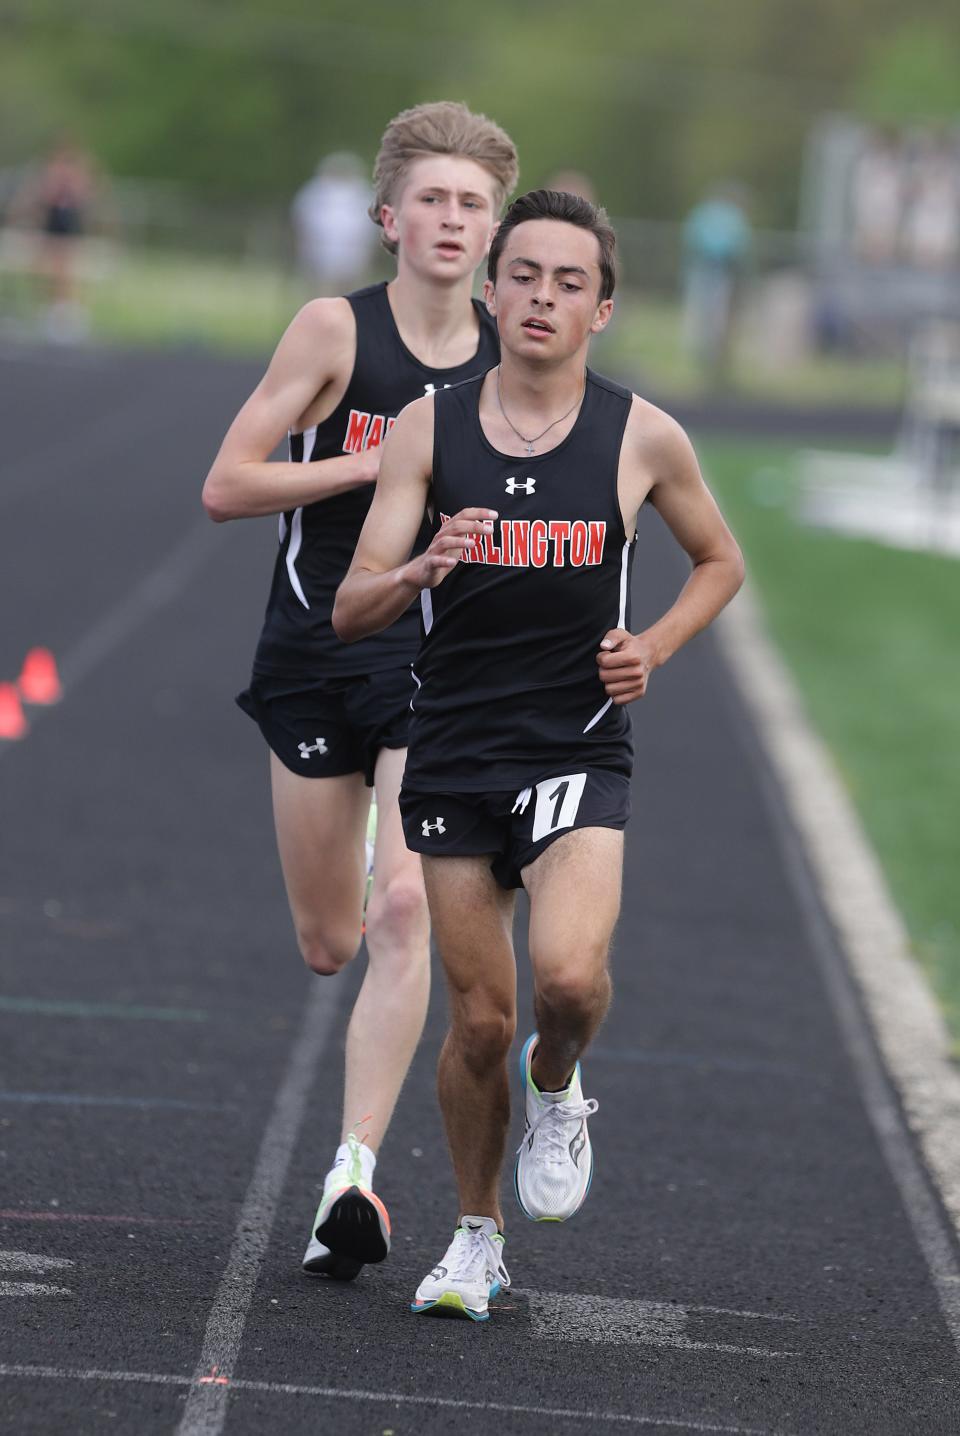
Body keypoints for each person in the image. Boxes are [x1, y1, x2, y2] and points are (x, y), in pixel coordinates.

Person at [333, 188, 745, 1321]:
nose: (543, 298)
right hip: (455, 748)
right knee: (478, 1021)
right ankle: (476, 1234)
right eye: (524, 276)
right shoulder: (430, 426)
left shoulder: (641, 434)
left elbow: (720, 561)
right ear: (490, 291)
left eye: (570, 282)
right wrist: (420, 567)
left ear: (602, 307)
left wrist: (650, 645)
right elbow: (351, 606)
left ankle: (558, 1083)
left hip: (574, 746)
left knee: (564, 979)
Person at [201, 102, 518, 1280]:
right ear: (389, 218)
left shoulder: (509, 355)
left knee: (402, 912)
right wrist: (376, 461)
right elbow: (228, 486)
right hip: (313, 646)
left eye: (472, 203)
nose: (451, 219)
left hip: (434, 656)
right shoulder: (336, 330)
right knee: (331, 937)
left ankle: (351, 1174)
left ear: (494, 230)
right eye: (432, 198)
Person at [681, 182, 752, 388]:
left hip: (719, 273)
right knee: (709, 319)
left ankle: (714, 361)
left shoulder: (712, 215)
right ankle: (708, 359)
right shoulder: (726, 217)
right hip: (712, 272)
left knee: (714, 320)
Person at [290, 152, 377, 294]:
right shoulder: (315, 192)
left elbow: (368, 226)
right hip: (320, 252)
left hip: (353, 253)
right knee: (322, 294)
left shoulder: (361, 193)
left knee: (352, 295)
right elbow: (303, 222)